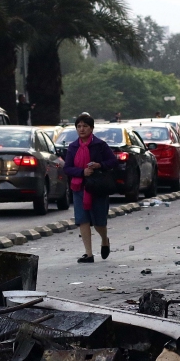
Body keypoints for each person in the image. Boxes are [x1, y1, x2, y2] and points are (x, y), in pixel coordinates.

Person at [63, 112, 118, 262]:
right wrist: (82, 172)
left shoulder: (100, 145)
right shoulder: (73, 147)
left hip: (97, 188)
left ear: (91, 128)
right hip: (79, 188)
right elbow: (67, 168)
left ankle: (104, 240)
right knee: (83, 220)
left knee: (99, 221)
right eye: (79, 126)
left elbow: (113, 161)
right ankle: (88, 253)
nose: (82, 129)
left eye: (85, 126)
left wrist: (100, 165)